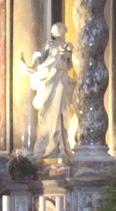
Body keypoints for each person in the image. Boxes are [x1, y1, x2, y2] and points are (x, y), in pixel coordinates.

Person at [21, 23, 75, 161]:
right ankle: (46, 146)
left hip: (60, 80)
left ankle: (59, 147)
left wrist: (67, 56)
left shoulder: (68, 46)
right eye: (55, 29)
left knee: (60, 112)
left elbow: (71, 65)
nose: (57, 31)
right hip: (47, 80)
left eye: (59, 28)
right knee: (46, 114)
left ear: (64, 31)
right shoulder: (49, 44)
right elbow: (39, 59)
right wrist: (32, 65)